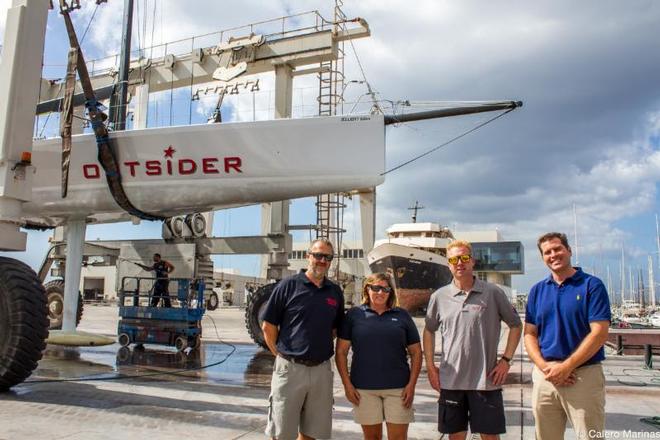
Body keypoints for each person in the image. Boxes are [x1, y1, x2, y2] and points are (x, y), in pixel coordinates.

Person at [423, 240, 522, 440]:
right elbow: (429, 330)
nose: (459, 262)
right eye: (454, 259)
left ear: (472, 261)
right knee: (455, 436)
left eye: (464, 257)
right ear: (448, 264)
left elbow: (516, 325)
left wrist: (506, 360)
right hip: (451, 381)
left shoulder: (493, 292)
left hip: (486, 382)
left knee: (490, 436)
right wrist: (431, 366)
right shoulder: (439, 297)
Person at [524, 232, 611, 440]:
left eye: (557, 249)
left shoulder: (592, 285)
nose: (553, 255)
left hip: (583, 376)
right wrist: (546, 368)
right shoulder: (537, 291)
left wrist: (567, 367)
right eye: (547, 252)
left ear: (569, 250)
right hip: (546, 378)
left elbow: (599, 333)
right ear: (542, 257)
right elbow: (529, 334)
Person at [261, 238, 345, 440]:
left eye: (327, 257)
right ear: (308, 256)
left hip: (321, 372)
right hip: (290, 369)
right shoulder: (288, 285)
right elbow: (268, 326)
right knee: (281, 432)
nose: (322, 260)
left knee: (313, 433)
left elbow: (335, 328)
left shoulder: (335, 292)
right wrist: (280, 356)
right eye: (317, 255)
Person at [336, 273, 422, 440]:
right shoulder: (354, 315)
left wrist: (411, 385)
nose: (380, 292)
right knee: (372, 438)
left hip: (399, 389)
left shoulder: (402, 315)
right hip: (363, 389)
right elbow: (341, 352)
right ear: (367, 289)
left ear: (390, 292)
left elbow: (417, 352)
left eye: (385, 289)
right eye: (376, 288)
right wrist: (347, 385)